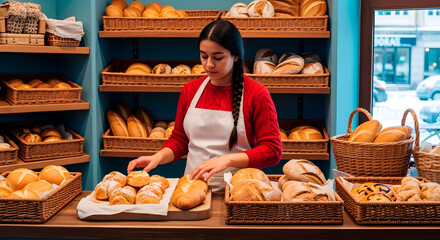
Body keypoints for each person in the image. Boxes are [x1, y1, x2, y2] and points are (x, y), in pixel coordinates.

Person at [127, 19, 282, 192]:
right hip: (190, 189)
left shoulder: (256, 94)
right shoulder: (190, 90)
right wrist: (158, 157)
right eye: (204, 56)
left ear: (235, 56)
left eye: (217, 57)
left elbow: (272, 150)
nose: (209, 64)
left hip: (239, 192)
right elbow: (180, 139)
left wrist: (227, 160)